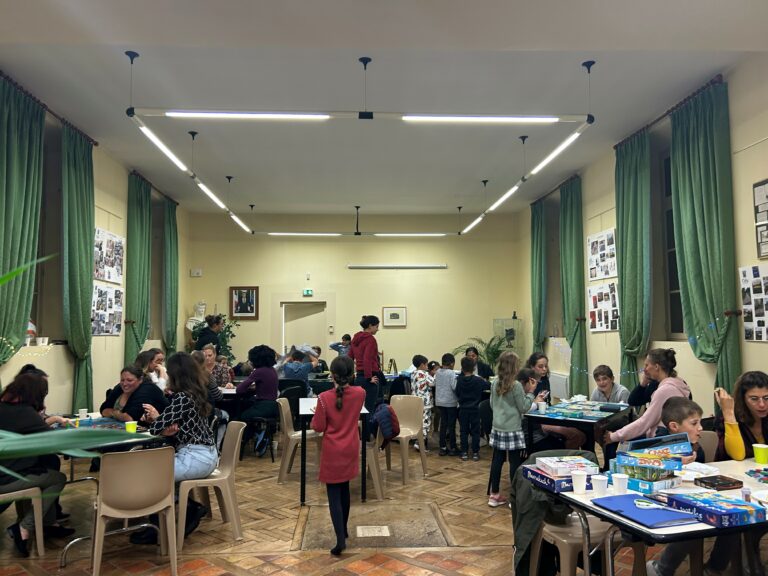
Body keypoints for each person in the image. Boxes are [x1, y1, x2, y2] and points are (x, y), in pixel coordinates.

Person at [134, 352, 218, 544]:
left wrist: (158, 421)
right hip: (204, 454)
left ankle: (162, 525)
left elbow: (156, 428)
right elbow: (167, 426)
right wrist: (162, 424)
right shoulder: (194, 394)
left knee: (154, 475)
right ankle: (170, 519)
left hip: (195, 457)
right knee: (157, 471)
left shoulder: (182, 398)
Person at [647, 398, 733, 576]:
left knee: (731, 518)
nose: (700, 428)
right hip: (666, 501)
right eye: (694, 423)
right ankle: (662, 569)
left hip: (694, 494)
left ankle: (715, 568)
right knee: (692, 521)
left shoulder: (695, 449)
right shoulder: (658, 448)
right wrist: (672, 463)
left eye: (700, 422)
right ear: (674, 426)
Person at [0, 373, 73, 557]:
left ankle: (46, 524)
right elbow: (54, 441)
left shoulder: (3, 407)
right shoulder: (25, 413)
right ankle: (24, 527)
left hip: (5, 471)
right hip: (5, 480)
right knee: (58, 478)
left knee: (48, 463)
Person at [310, 355, 366, 556]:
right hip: (351, 446)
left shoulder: (323, 398)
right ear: (353, 374)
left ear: (332, 375)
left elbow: (318, 426)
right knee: (345, 490)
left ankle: (340, 540)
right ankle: (344, 530)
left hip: (332, 449)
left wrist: (316, 415)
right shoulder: (361, 393)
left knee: (333, 494)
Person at [603, 349, 690, 456]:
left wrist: (614, 436)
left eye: (647, 365)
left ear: (656, 367)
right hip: (672, 437)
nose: (645, 369)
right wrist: (643, 383)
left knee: (616, 444)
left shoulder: (664, 390)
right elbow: (633, 401)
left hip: (664, 441)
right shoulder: (678, 383)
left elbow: (644, 422)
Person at [488, 352, 546, 507]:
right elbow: (524, 407)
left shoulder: (495, 382)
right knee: (514, 461)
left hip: (498, 427)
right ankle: (513, 497)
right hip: (513, 428)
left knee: (497, 460)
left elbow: (492, 404)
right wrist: (531, 393)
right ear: (515, 367)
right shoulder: (516, 385)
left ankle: (494, 495)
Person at [526, 352, 586, 449]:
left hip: (547, 417)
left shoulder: (545, 380)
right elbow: (526, 407)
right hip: (537, 422)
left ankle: (570, 455)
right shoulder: (528, 384)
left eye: (546, 366)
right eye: (540, 366)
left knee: (581, 435)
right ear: (532, 367)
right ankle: (564, 455)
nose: (544, 369)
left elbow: (547, 402)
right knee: (575, 436)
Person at [715, 371, 768, 460]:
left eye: (766, 398)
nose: (762, 404)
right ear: (742, 399)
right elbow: (737, 455)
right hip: (732, 467)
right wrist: (729, 414)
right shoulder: (727, 415)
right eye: (754, 399)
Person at [100, 365, 169, 423]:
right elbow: (103, 409)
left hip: (161, 429)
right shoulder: (120, 387)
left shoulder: (147, 389)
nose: (125, 384)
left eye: (129, 380)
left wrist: (113, 413)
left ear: (140, 379)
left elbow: (129, 418)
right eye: (122, 380)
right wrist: (118, 414)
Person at [456, 356, 490, 461]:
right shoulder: (478, 380)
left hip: (463, 409)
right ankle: (475, 453)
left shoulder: (459, 380)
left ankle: (464, 452)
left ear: (462, 368)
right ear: (474, 368)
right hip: (475, 409)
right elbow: (488, 386)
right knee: (476, 431)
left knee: (463, 431)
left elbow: (457, 392)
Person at [349, 315, 384, 412]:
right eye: (376, 326)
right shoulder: (370, 339)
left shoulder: (355, 339)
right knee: (370, 409)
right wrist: (369, 378)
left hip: (358, 378)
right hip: (370, 377)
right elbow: (367, 359)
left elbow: (349, 357)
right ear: (370, 326)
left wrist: (350, 374)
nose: (378, 329)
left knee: (359, 409)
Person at [237, 345, 280, 420]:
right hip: (273, 407)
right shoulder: (272, 370)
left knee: (241, 415)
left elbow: (239, 389)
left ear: (256, 359)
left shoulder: (259, 371)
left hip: (263, 407)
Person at [435, 353, 459, 456]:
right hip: (450, 402)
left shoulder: (438, 372)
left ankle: (442, 447)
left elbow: (435, 383)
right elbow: (454, 387)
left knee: (443, 425)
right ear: (452, 363)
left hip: (440, 402)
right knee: (451, 425)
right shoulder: (451, 373)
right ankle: (453, 447)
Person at [410, 355, 435, 452]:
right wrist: (435, 374)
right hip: (425, 403)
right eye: (426, 365)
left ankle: (417, 441)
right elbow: (433, 383)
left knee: (418, 422)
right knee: (425, 423)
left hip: (415, 401)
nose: (427, 367)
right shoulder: (424, 374)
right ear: (422, 365)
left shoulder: (413, 373)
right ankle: (419, 443)